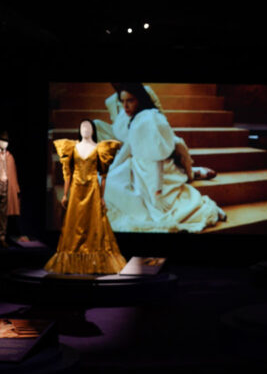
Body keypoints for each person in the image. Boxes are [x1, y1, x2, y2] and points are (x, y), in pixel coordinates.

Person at [102, 82, 226, 233]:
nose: (125, 106)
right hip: (139, 164)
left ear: (139, 99)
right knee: (109, 182)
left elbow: (157, 159)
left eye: (130, 101)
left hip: (152, 168)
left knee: (158, 207)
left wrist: (157, 192)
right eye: (123, 101)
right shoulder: (135, 117)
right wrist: (111, 169)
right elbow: (129, 146)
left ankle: (205, 208)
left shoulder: (148, 119)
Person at [45, 119, 127, 274]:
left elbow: (104, 175)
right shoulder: (72, 147)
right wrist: (65, 194)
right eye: (82, 127)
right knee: (74, 223)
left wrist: (102, 197)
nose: (85, 129)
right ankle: (72, 261)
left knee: (94, 223)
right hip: (76, 190)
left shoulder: (99, 148)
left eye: (88, 127)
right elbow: (67, 173)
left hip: (92, 190)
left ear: (93, 130)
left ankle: (95, 261)